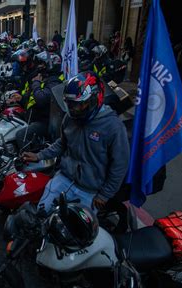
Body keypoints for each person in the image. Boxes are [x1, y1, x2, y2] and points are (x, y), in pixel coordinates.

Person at [22, 71, 130, 215]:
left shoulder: (113, 127)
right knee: (41, 214)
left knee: (77, 234)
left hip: (89, 191)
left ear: (93, 100)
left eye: (78, 105)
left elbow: (120, 165)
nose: (73, 109)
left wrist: (105, 194)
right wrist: (39, 156)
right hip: (63, 179)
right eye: (70, 104)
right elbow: (62, 143)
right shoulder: (70, 118)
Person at [15, 51, 64, 149]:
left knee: (20, 135)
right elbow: (33, 98)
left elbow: (41, 98)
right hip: (33, 117)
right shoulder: (45, 78)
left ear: (50, 65)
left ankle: (28, 160)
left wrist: (36, 83)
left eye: (42, 63)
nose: (39, 66)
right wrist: (21, 99)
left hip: (45, 121)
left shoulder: (55, 81)